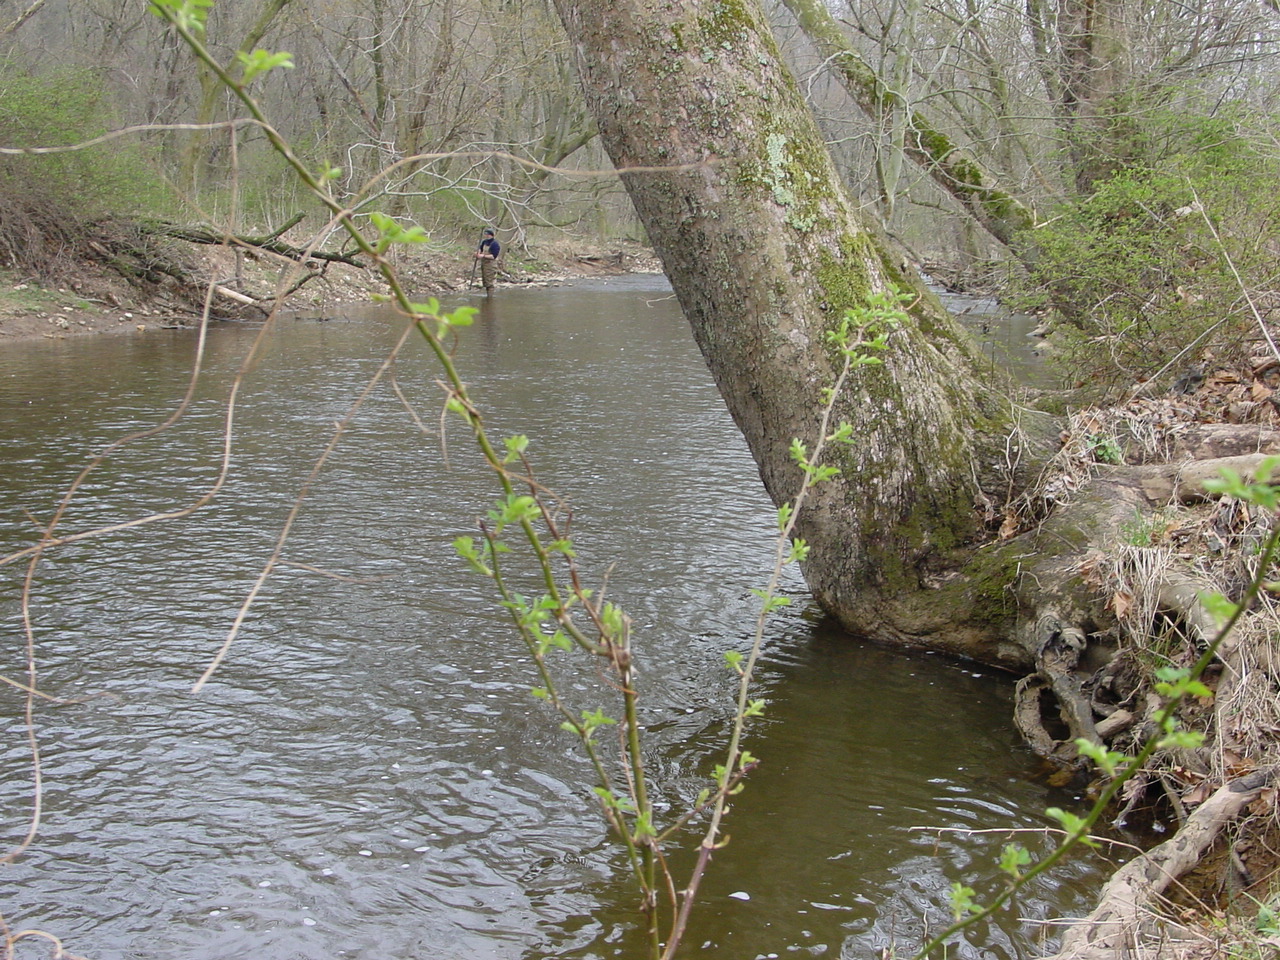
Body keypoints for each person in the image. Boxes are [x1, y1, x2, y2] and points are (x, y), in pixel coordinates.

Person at [475, 228, 500, 294]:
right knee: (485, 281)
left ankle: (490, 296)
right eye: (485, 234)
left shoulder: (495, 244)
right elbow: (480, 249)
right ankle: (488, 295)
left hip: (491, 265)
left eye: (487, 234)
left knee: (489, 282)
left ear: (491, 235)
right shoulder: (484, 242)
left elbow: (493, 256)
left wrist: (483, 256)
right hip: (484, 264)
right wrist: (478, 253)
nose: (486, 236)